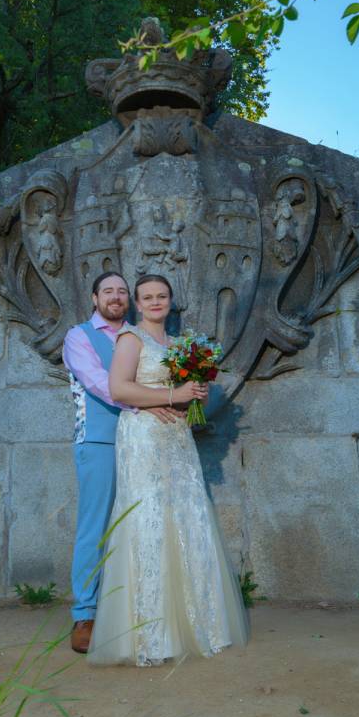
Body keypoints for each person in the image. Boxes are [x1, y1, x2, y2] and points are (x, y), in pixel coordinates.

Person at [87, 274, 250, 666]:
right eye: (147, 297)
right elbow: (119, 389)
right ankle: (151, 636)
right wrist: (171, 394)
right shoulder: (130, 339)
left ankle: (200, 626)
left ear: (170, 302)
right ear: (137, 305)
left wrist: (194, 398)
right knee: (149, 520)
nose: (155, 301)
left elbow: (187, 395)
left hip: (177, 438)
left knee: (188, 518)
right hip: (143, 438)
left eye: (162, 296)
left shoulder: (181, 346)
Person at [61, 271, 183, 654]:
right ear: (94, 298)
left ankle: (137, 608)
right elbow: (100, 382)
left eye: (122, 291)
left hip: (146, 438)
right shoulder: (79, 336)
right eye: (107, 291)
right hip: (99, 440)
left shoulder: (140, 334)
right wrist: (158, 398)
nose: (116, 296)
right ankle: (85, 614)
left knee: (145, 523)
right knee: (96, 526)